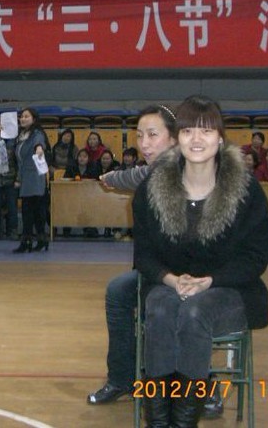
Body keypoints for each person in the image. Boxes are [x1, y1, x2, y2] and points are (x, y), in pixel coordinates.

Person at [133, 95, 268, 428]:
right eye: (187, 131)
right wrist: (171, 279)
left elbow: (255, 258)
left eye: (206, 131)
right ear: (177, 139)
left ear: (220, 138)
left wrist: (209, 281)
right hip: (169, 286)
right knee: (161, 310)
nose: (196, 139)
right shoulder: (151, 189)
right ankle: (158, 421)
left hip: (229, 290)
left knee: (194, 313)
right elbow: (144, 255)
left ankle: (184, 422)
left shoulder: (247, 191)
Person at [87, 104, 177, 407]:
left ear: (173, 139)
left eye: (153, 135)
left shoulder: (189, 173)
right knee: (118, 291)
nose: (144, 144)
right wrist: (111, 177)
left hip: (187, 274)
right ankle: (122, 378)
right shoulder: (153, 172)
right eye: (140, 136)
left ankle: (201, 384)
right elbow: (135, 175)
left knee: (165, 308)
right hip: (155, 270)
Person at [13, 107, 50, 253]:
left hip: (35, 177)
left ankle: (34, 240)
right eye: (21, 116)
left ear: (34, 119)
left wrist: (39, 148)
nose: (23, 119)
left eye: (26, 116)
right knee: (28, 211)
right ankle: (35, 240)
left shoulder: (37, 133)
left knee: (35, 211)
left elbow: (39, 143)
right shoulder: (20, 135)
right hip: (25, 177)